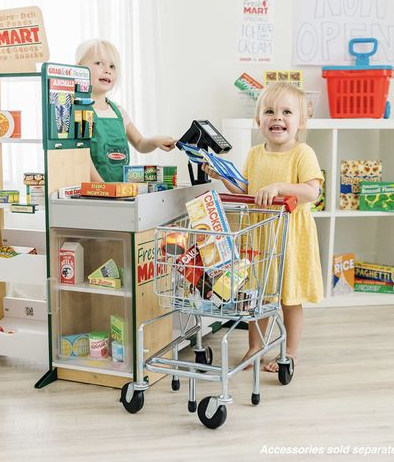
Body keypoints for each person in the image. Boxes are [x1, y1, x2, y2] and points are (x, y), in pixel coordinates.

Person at [202, 82, 324, 372]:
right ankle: (255, 347)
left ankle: (291, 351)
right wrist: (221, 176)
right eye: (269, 111)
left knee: (289, 297)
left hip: (290, 236)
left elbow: (312, 192)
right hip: (260, 236)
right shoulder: (256, 154)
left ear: (301, 122)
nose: (277, 118)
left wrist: (281, 187)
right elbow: (246, 189)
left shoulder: (302, 153)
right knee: (256, 295)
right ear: (258, 120)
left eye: (286, 112)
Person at [75, 39, 176, 182]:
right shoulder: (79, 111)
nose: (107, 70)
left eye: (112, 66)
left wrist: (154, 141)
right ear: (79, 68)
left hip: (119, 191)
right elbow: (82, 157)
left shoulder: (118, 111)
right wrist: (102, 187)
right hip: (94, 192)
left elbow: (140, 143)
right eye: (99, 63)